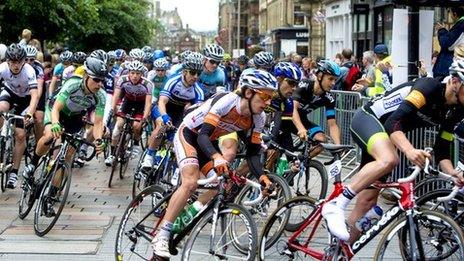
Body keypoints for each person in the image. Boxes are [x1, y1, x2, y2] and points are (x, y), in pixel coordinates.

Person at [322, 59, 464, 242]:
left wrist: (453, 173)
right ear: (454, 82)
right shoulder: (428, 87)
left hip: (386, 137)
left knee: (367, 202)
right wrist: (409, 150)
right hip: (369, 119)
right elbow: (393, 122)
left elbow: (442, 148)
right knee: (390, 159)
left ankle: (340, 249)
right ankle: (336, 204)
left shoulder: (457, 110)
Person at [151, 68, 277, 258]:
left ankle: (186, 214)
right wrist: (217, 157)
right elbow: (202, 135)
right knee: (191, 182)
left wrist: (263, 178)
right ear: (249, 92)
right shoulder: (227, 102)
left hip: (206, 143)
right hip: (189, 134)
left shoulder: (259, 118)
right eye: (265, 96)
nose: (268, 102)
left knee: (219, 184)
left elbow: (252, 153)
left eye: (271, 98)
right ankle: (162, 233)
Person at [22, 57, 107, 215]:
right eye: (96, 80)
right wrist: (54, 124)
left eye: (102, 81)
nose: (99, 84)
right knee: (50, 136)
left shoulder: (100, 96)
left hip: (74, 117)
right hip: (56, 111)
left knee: (66, 157)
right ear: (87, 76)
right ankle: (33, 164)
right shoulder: (73, 84)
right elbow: (55, 109)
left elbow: (98, 123)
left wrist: (99, 140)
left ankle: (50, 197)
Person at [140, 53, 205, 170]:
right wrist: (164, 116)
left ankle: (166, 160)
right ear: (184, 71)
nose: (195, 76)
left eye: (198, 74)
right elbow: (162, 102)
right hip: (163, 108)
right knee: (161, 126)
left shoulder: (198, 90)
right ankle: (149, 156)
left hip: (179, 113)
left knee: (176, 139)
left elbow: (197, 112)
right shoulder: (173, 81)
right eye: (192, 72)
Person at [0, 44, 38, 188]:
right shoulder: (2, 68)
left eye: (19, 62)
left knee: (20, 135)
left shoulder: (29, 71)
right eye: (12, 62)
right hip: (10, 93)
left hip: (26, 99)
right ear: (7, 61)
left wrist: (30, 113)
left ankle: (14, 172)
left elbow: (35, 96)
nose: (16, 65)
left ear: (23, 61)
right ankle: (2, 133)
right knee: (1, 107)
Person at [105, 60, 153, 166]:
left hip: (140, 104)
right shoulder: (122, 80)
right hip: (127, 102)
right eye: (132, 73)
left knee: (136, 126)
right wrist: (113, 109)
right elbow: (116, 96)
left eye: (137, 73)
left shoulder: (147, 84)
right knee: (118, 126)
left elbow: (148, 103)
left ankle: (136, 143)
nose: (135, 76)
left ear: (141, 74)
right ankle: (112, 154)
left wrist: (144, 118)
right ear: (128, 72)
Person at [433, 7, 464, 79]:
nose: (449, 15)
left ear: (455, 14)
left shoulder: (461, 25)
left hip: (446, 68)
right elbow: (453, 39)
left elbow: (448, 45)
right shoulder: (460, 24)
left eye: (449, 12)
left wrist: (441, 30)